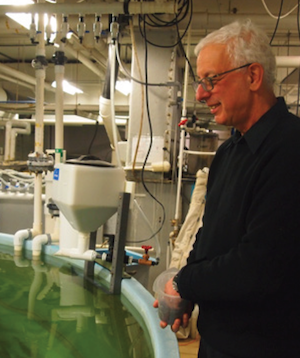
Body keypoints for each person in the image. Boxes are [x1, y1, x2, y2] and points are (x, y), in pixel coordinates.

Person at [154, 19, 300, 358]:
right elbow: (209, 235)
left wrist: (183, 282)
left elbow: (258, 266)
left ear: (253, 76)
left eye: (211, 80)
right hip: (217, 343)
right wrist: (186, 293)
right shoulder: (228, 152)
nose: (201, 93)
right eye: (200, 82)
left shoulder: (291, 149)